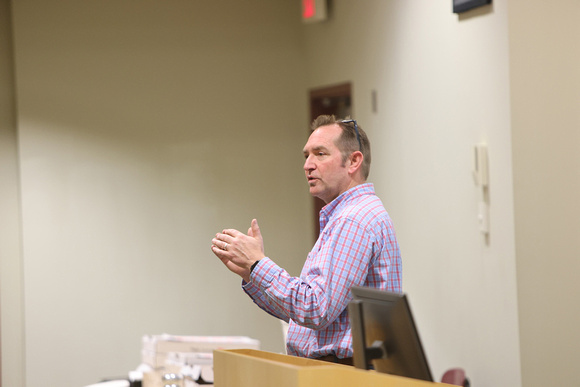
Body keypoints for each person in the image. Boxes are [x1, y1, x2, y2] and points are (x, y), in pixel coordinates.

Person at [210, 115, 402, 364]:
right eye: (306, 155)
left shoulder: (354, 220)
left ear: (353, 161)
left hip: (345, 373)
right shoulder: (344, 217)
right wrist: (251, 274)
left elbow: (317, 309)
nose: (308, 165)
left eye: (320, 154)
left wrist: (259, 264)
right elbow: (303, 317)